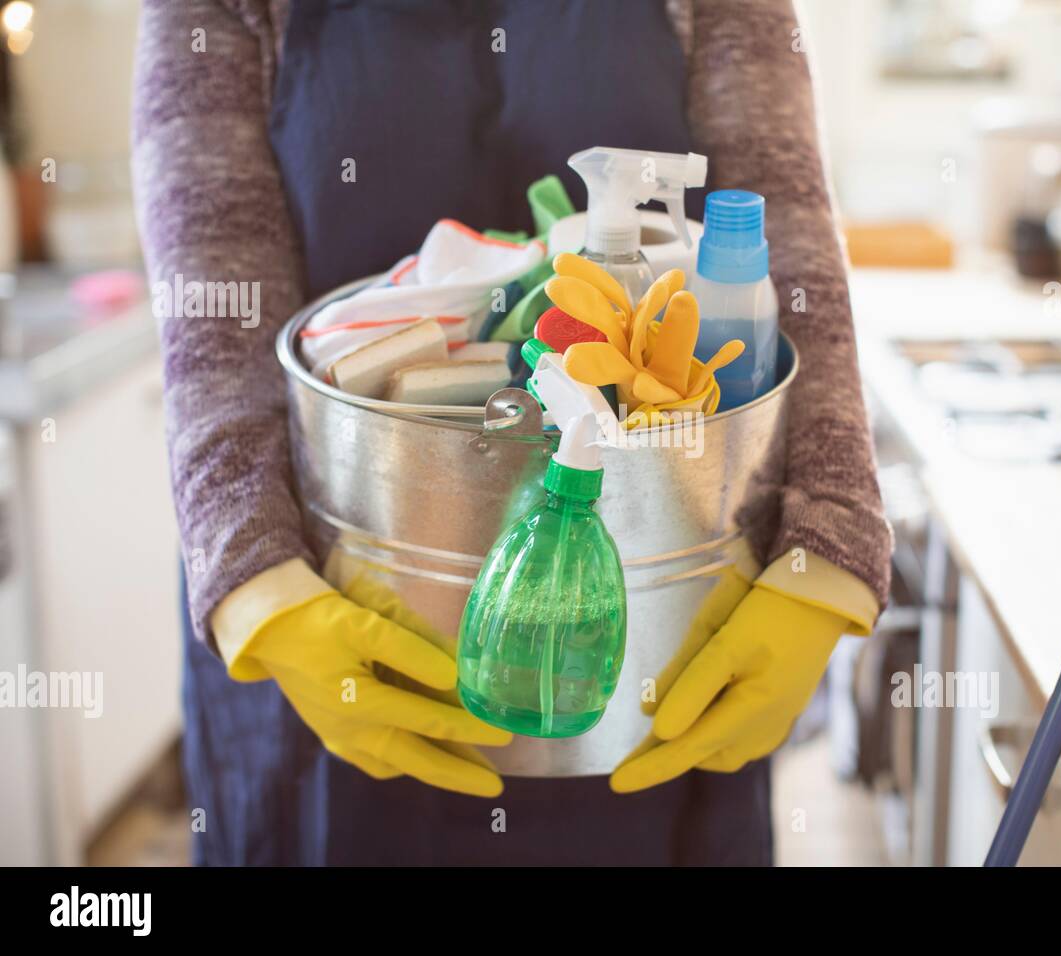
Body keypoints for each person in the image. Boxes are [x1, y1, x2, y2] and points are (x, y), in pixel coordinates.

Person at [132, 0, 892, 866]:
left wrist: (829, 549)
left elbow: (775, 242)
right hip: (333, 645)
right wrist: (254, 585)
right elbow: (213, 312)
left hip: (654, 659)